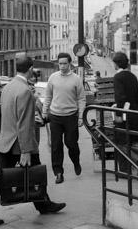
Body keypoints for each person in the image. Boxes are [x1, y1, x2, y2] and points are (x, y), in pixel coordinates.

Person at [0, 55, 66, 227]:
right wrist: (25, 151)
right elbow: (25, 122)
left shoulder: (9, 87)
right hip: (20, 144)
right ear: (31, 69)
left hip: (8, 140)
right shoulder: (25, 90)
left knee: (5, 177)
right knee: (31, 175)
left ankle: (43, 205)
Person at [42, 52, 85, 184]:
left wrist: (81, 117)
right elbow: (48, 96)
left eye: (64, 63)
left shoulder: (76, 79)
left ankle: (76, 162)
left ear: (70, 63)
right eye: (60, 63)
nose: (62, 66)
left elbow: (81, 99)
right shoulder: (53, 78)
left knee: (71, 144)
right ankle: (58, 173)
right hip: (55, 116)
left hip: (71, 116)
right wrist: (45, 111)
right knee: (56, 146)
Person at [112, 51, 138, 174]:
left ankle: (136, 162)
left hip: (124, 115)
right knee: (128, 141)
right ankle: (128, 168)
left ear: (116, 64)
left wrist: (118, 114)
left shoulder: (118, 77)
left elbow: (120, 97)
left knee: (119, 142)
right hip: (134, 114)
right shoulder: (132, 76)